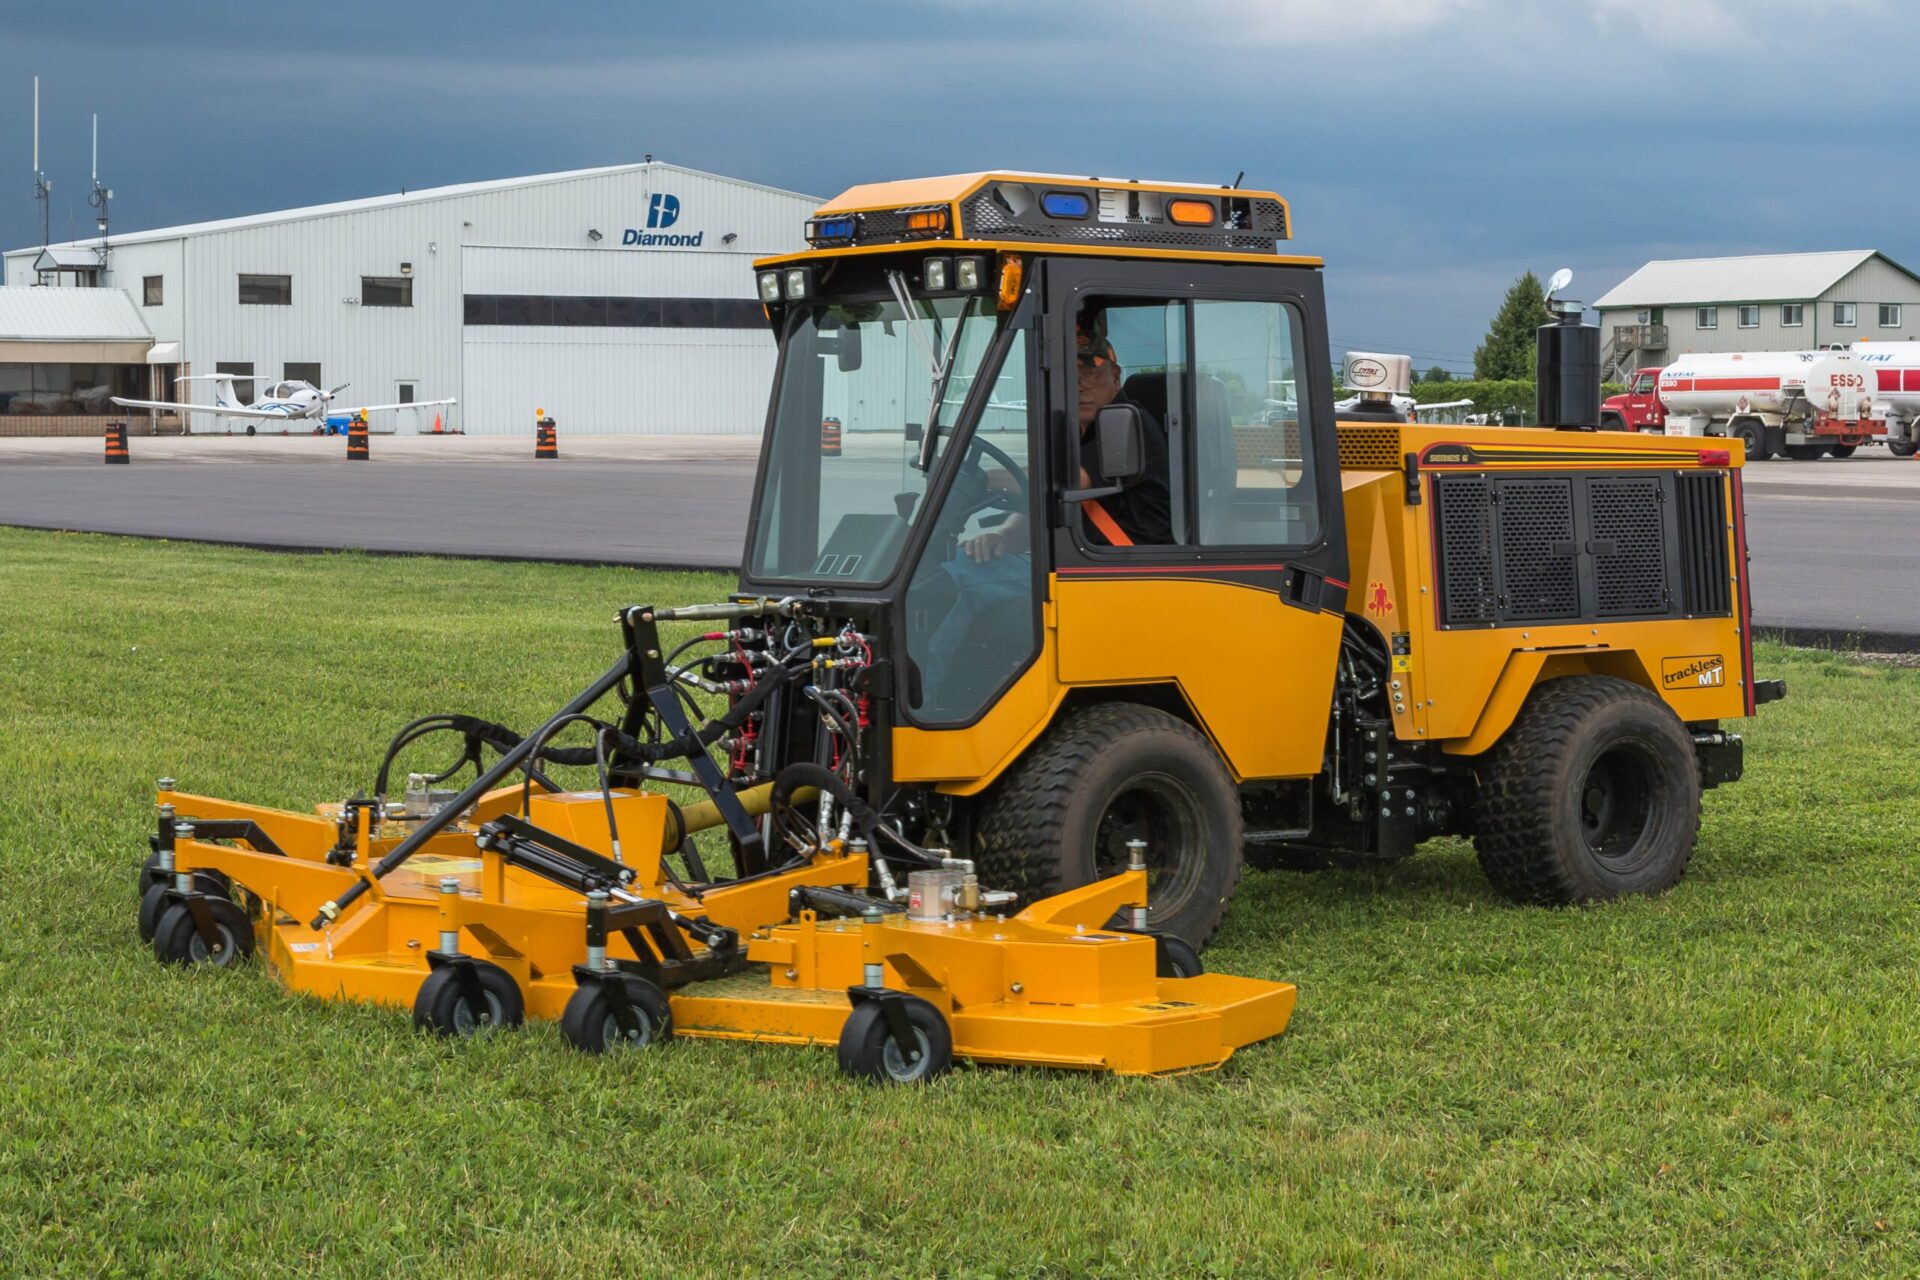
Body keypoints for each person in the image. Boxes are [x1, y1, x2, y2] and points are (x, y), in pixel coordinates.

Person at [960, 310, 1172, 560]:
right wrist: (1004, 536)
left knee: (955, 580)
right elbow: (1051, 502)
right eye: (1070, 375)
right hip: (1084, 560)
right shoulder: (1075, 428)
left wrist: (983, 478)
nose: (1079, 385)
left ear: (1116, 376)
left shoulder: (1125, 420)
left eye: (1091, 374)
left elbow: (1069, 481)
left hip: (1128, 569)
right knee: (964, 564)